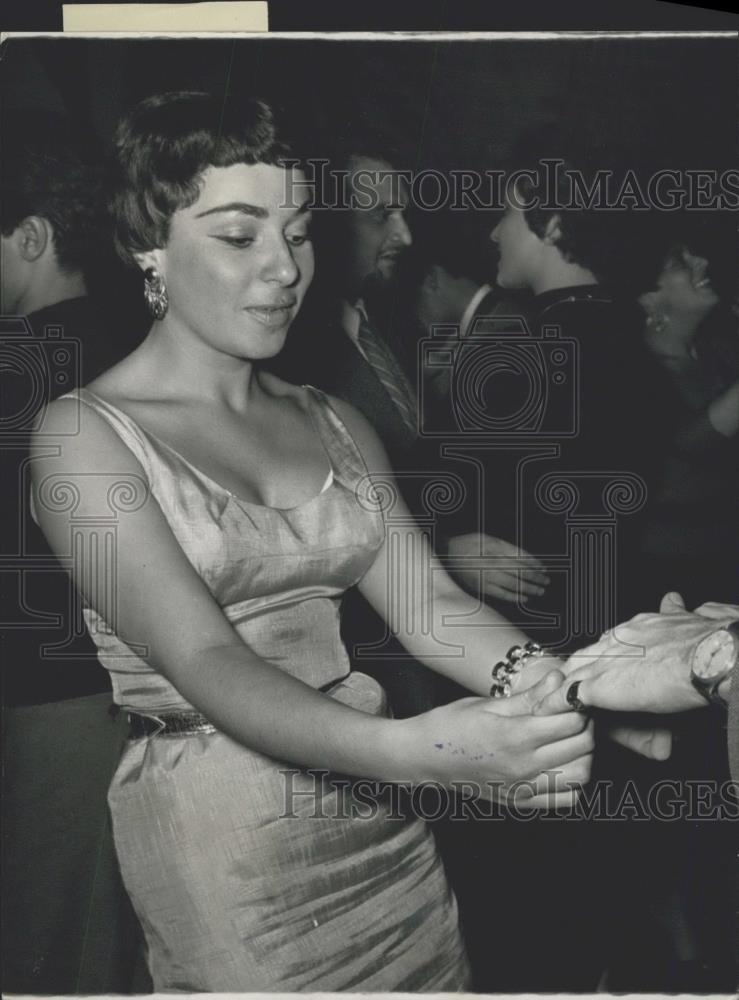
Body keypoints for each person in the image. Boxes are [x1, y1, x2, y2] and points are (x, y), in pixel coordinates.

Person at [30, 91, 595, 993]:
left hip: (381, 821)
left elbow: (432, 610)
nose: (284, 267)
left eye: (296, 233)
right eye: (238, 235)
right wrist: (416, 754)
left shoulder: (331, 419)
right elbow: (204, 658)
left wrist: (568, 682)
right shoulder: (82, 434)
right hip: (227, 841)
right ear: (150, 249)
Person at [1, 110, 146, 994]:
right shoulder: (142, 349)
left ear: (32, 236)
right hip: (137, 693)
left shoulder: (20, 363)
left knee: (52, 952)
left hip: (50, 701)